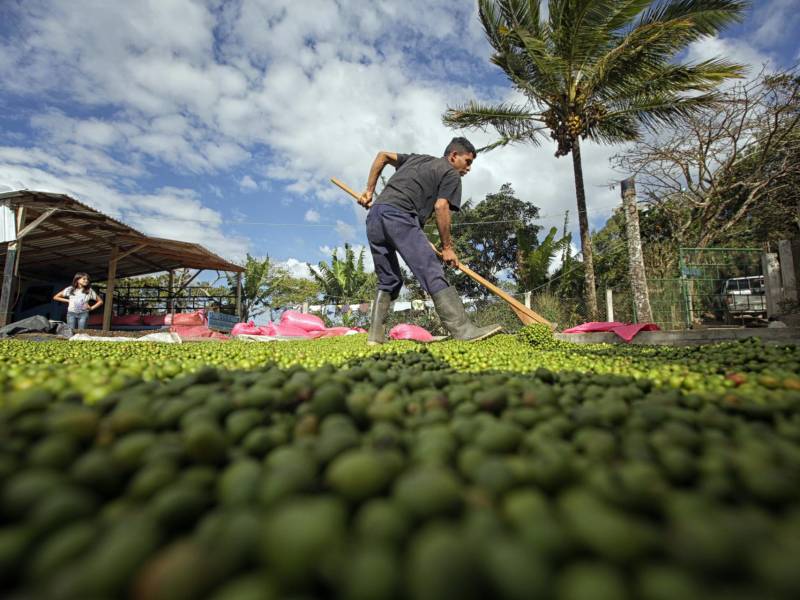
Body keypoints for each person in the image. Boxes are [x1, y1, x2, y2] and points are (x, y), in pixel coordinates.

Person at [360, 136, 502, 345]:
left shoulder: (418, 159)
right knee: (432, 271)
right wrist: (447, 248)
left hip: (376, 217)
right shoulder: (451, 174)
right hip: (400, 216)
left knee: (389, 279)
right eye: (468, 161)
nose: (468, 168)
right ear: (454, 156)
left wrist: (369, 192)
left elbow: (383, 156)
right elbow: (441, 207)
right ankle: (463, 330)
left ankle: (375, 337)